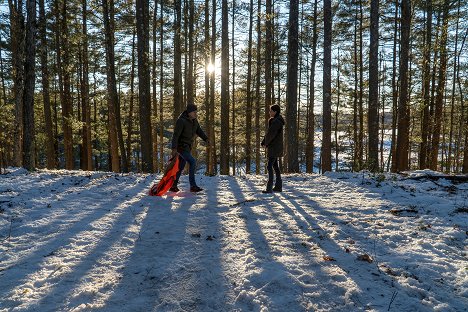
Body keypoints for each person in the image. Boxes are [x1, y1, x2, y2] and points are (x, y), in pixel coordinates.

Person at [170, 104, 208, 192]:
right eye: (194, 112)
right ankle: (193, 186)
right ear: (189, 112)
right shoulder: (181, 121)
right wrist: (174, 148)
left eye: (196, 112)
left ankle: (173, 185)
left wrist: (206, 138)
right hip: (181, 147)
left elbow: (199, 131)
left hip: (187, 147)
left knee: (181, 166)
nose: (196, 113)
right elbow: (175, 135)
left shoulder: (194, 121)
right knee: (192, 161)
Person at [261, 104, 284, 193]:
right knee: (275, 166)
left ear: (275, 112)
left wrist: (265, 143)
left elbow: (271, 135)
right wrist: (265, 142)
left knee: (269, 166)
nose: (269, 112)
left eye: (271, 111)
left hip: (274, 147)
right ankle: (278, 187)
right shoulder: (276, 121)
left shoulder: (276, 122)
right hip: (275, 147)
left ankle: (269, 188)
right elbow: (269, 133)